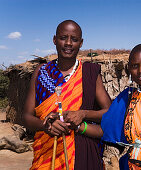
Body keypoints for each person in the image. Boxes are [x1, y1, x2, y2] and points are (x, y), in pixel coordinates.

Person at [23, 20, 111, 170]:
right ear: (55, 40)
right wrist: (46, 126)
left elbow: (109, 113)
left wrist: (83, 114)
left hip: (82, 154)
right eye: (63, 38)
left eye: (74, 39)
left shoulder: (89, 73)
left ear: (81, 43)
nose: (68, 43)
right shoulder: (41, 72)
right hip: (46, 154)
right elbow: (26, 116)